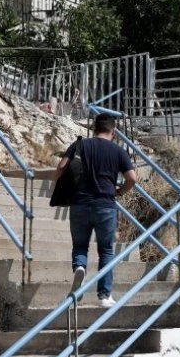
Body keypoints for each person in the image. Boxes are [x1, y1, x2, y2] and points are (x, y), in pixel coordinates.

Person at [56, 114, 138, 307]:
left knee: (80, 246)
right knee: (106, 251)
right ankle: (104, 295)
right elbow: (132, 178)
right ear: (114, 132)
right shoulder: (118, 151)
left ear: (93, 129)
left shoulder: (80, 145)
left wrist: (65, 186)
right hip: (105, 205)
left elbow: (60, 167)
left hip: (79, 203)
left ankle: (79, 268)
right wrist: (120, 191)